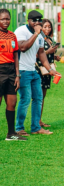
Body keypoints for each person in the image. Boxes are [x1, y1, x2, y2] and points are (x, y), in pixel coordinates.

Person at [15, 10, 60, 136]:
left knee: (38, 98)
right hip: (22, 71)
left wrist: (50, 69)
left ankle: (35, 127)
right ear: (28, 21)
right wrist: (35, 34)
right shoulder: (21, 31)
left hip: (34, 71)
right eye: (34, 20)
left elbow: (41, 53)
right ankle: (19, 128)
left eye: (39, 20)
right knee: (25, 99)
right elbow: (23, 47)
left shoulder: (40, 35)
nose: (37, 22)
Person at [0, 9, 27, 141]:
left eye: (7, 19)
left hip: (11, 72)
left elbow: (16, 55)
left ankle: (11, 134)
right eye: (2, 19)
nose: (5, 21)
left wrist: (17, 75)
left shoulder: (12, 35)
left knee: (12, 102)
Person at [35, 19, 61, 127]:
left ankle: (39, 121)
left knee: (43, 96)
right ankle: (36, 121)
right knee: (38, 96)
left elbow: (47, 55)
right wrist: (48, 52)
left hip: (48, 71)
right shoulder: (37, 38)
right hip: (39, 70)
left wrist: (54, 56)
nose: (47, 29)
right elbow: (36, 54)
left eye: (49, 26)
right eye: (45, 26)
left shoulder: (49, 39)